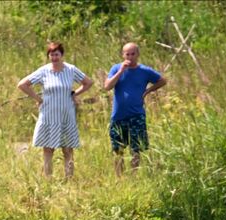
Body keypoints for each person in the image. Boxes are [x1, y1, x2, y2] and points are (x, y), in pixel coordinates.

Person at [17, 41, 94, 179]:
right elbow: (22, 84)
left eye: (57, 55)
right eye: (51, 55)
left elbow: (88, 82)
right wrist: (38, 98)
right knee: (48, 148)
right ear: (48, 56)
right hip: (48, 114)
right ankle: (48, 179)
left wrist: (74, 93)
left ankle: (69, 179)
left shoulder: (70, 70)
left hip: (66, 114)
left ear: (62, 55)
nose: (54, 58)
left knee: (67, 148)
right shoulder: (44, 71)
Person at [102, 42, 167, 175]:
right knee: (118, 149)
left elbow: (162, 80)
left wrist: (148, 91)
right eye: (127, 54)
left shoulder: (144, 71)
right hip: (118, 116)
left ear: (138, 54)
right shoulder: (116, 68)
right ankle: (119, 178)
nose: (130, 57)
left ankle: (134, 177)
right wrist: (121, 71)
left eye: (133, 54)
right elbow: (107, 86)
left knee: (136, 149)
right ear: (123, 54)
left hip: (137, 115)